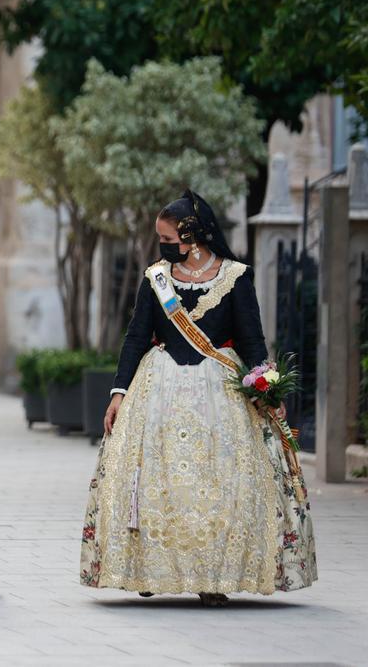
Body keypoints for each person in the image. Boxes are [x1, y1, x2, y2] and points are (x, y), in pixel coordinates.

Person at [81, 189, 316, 606]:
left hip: (220, 390)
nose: (163, 247)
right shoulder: (157, 278)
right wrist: (118, 392)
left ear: (192, 237)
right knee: (155, 480)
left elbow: (251, 340)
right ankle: (153, 568)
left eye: (168, 239)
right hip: (159, 387)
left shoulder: (236, 278)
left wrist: (266, 386)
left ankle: (214, 577)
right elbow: (136, 337)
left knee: (219, 481)